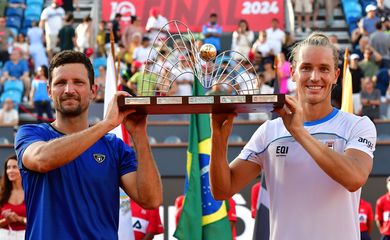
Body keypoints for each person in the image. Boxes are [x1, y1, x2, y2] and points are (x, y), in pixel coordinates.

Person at [209, 32, 376, 239]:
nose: (315, 77)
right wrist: (218, 136)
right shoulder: (269, 131)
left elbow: (354, 178)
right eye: (306, 68)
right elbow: (222, 190)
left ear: (335, 75)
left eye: (324, 69)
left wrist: (298, 131)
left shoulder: (357, 126)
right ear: (294, 73)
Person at [14, 50, 162, 239]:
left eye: (78, 82)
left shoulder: (114, 147)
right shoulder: (31, 133)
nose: (69, 89)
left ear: (93, 91)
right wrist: (106, 124)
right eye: (60, 83)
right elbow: (43, 160)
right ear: (49, 91)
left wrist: (139, 134)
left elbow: (151, 200)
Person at [0, 154, 26, 239]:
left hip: (25, 235)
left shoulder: (29, 193)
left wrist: (19, 219)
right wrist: (6, 220)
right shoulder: (2, 193)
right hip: (4, 235)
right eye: (8, 167)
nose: (10, 170)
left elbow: (38, 221)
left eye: (15, 167)